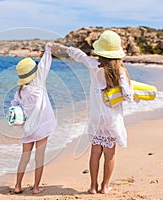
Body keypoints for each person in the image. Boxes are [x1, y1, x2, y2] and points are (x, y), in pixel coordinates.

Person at [57, 30, 135, 194]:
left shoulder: (94, 66)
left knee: (95, 151)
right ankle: (105, 187)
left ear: (100, 52)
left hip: (96, 116)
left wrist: (63, 48)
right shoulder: (120, 70)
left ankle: (93, 186)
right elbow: (128, 96)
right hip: (112, 117)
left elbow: (79, 55)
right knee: (110, 153)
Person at [10, 43, 60, 194]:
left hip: (28, 130)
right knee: (39, 159)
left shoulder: (20, 92)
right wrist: (48, 50)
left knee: (24, 158)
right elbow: (45, 66)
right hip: (42, 128)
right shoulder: (38, 87)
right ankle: (36, 187)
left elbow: (14, 105)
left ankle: (18, 186)